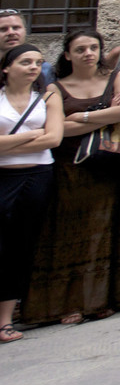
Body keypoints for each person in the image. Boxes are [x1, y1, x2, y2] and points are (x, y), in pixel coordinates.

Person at [22, 31, 120, 325]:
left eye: (94, 48)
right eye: (80, 49)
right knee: (67, 234)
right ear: (68, 54)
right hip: (69, 169)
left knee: (104, 233)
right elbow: (57, 131)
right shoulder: (55, 87)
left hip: (107, 167)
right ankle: (67, 304)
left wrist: (80, 118)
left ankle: (100, 300)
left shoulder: (116, 77)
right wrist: (103, 113)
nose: (88, 53)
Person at [0, 44, 63, 341]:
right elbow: (41, 135)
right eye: (25, 62)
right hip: (3, 177)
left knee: (20, 245)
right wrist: (31, 135)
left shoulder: (48, 97)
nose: (33, 67)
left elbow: (53, 137)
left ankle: (5, 319)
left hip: (37, 175)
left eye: (38, 62)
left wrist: (9, 142)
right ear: (6, 68)